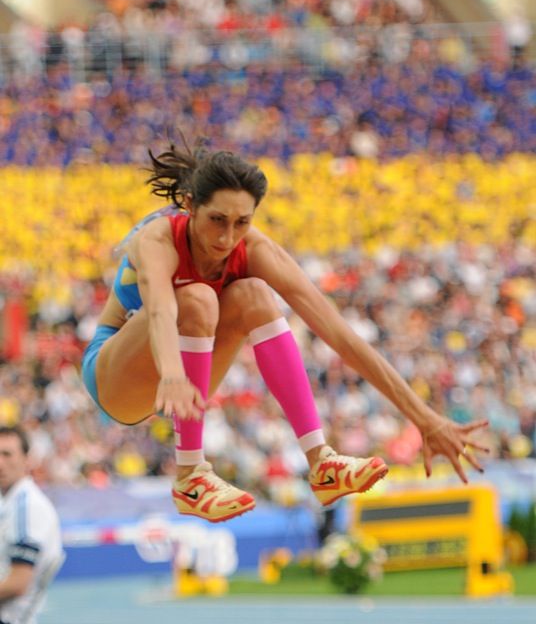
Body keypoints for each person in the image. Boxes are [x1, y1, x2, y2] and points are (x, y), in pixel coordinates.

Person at [82, 142, 489, 523]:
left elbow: (340, 334)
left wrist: (424, 418)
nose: (227, 238)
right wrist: (172, 373)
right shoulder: (158, 239)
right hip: (117, 375)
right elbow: (160, 308)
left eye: (242, 223)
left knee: (255, 294)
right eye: (217, 220)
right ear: (189, 205)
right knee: (199, 298)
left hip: (184, 377)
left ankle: (321, 462)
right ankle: (190, 475)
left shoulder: (255, 250)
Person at [0, 426, 64, 624]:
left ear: (26, 459)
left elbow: (18, 583)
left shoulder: (27, 507)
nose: (0, 463)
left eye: (7, 454)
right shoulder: (11, 503)